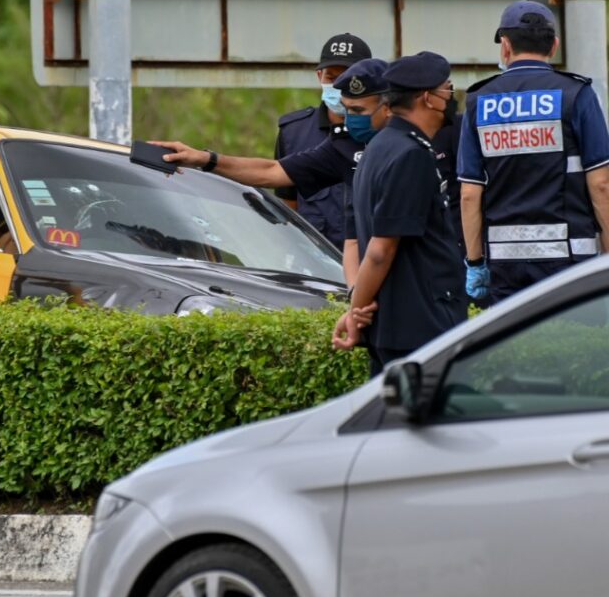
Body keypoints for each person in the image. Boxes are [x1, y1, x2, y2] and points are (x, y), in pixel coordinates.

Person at [152, 57, 391, 287]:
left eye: (358, 111)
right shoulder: (344, 145)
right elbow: (272, 171)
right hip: (361, 277)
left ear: (388, 107)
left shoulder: (415, 146)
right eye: (348, 112)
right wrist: (205, 159)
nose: (350, 121)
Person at [458, 0, 609, 303]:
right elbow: (602, 185)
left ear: (505, 45)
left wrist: (475, 263)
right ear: (553, 45)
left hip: (504, 266)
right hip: (571, 260)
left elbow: (469, 195)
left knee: (515, 349)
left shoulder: (478, 102)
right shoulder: (576, 94)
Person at [333, 52, 468, 375]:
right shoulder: (411, 155)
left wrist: (358, 305)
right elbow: (380, 250)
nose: (451, 97)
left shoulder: (378, 150)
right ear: (429, 99)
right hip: (421, 325)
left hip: (395, 326)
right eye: (447, 89)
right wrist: (355, 311)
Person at [274, 33, 373, 248]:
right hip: (316, 263)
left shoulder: (384, 130)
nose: (339, 85)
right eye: (331, 77)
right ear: (319, 76)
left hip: (372, 261)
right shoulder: (294, 132)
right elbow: (287, 207)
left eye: (349, 76)